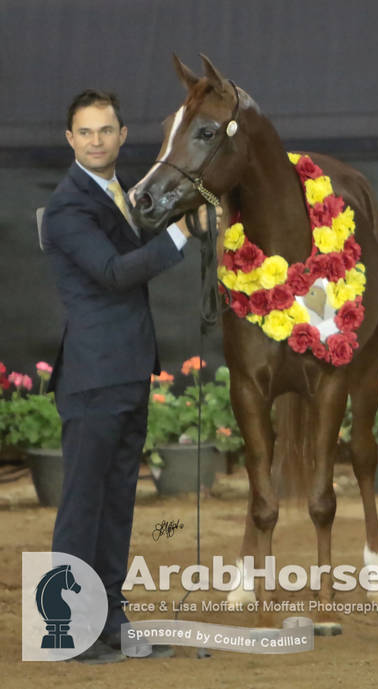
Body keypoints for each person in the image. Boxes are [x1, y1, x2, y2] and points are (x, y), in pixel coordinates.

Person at [43, 89, 193, 663]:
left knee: (116, 502)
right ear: (71, 140)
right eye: (86, 132)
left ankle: (109, 618)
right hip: (93, 377)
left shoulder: (119, 196)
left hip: (127, 373)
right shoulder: (68, 205)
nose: (97, 141)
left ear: (123, 135)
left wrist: (183, 218)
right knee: (83, 504)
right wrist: (183, 236)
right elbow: (112, 273)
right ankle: (68, 632)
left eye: (106, 130)